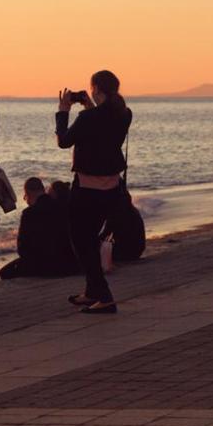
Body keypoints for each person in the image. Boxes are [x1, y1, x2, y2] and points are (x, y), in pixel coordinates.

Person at [56, 70, 132, 315]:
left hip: (87, 189)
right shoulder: (124, 114)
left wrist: (63, 112)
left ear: (96, 89)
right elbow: (102, 129)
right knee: (91, 238)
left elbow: (64, 141)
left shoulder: (87, 118)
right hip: (111, 188)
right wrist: (88, 106)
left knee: (81, 240)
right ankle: (91, 292)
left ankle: (104, 295)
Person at [0, 178, 77, 280]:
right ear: (43, 189)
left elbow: (22, 248)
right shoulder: (61, 206)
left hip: (41, 265)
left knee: (4, 273)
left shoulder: (28, 213)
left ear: (28, 193)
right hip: (66, 262)